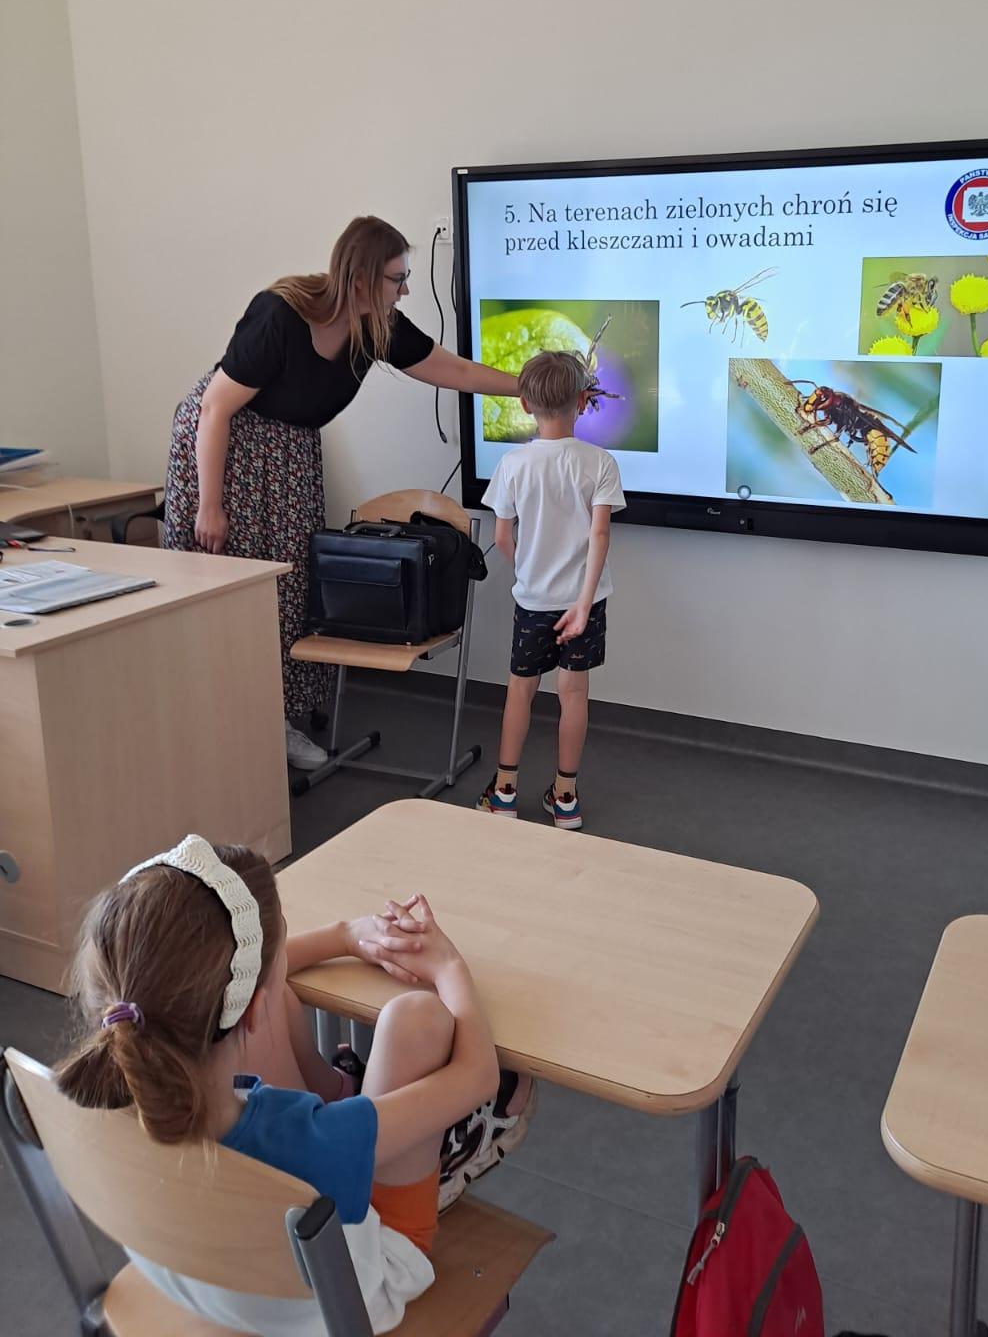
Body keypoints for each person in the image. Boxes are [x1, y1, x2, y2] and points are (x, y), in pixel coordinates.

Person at [55, 834, 533, 1336]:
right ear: (249, 1003)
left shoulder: (102, 1095)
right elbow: (478, 1074)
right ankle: (433, 1153)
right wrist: (448, 966)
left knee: (279, 1004)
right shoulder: (309, 1140)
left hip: (196, 1280)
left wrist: (344, 936)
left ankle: (347, 1091)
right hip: (348, 1296)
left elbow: (244, 991)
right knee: (419, 1022)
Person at [162, 216, 520, 772]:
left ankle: (276, 721)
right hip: (227, 449)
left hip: (289, 457)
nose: (405, 290)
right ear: (359, 280)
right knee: (224, 587)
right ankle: (215, 722)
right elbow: (214, 408)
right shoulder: (280, 314)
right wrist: (210, 505)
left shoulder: (378, 326)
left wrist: (525, 387)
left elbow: (453, 371)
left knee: (289, 588)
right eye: (397, 279)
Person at [476, 349, 625, 830]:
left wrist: (528, 571)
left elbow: (502, 537)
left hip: (533, 602)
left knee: (520, 691)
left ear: (524, 404)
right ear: (582, 402)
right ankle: (565, 798)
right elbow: (599, 535)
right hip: (585, 603)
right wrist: (582, 602)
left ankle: (504, 792)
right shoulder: (600, 462)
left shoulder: (513, 463)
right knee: (574, 693)